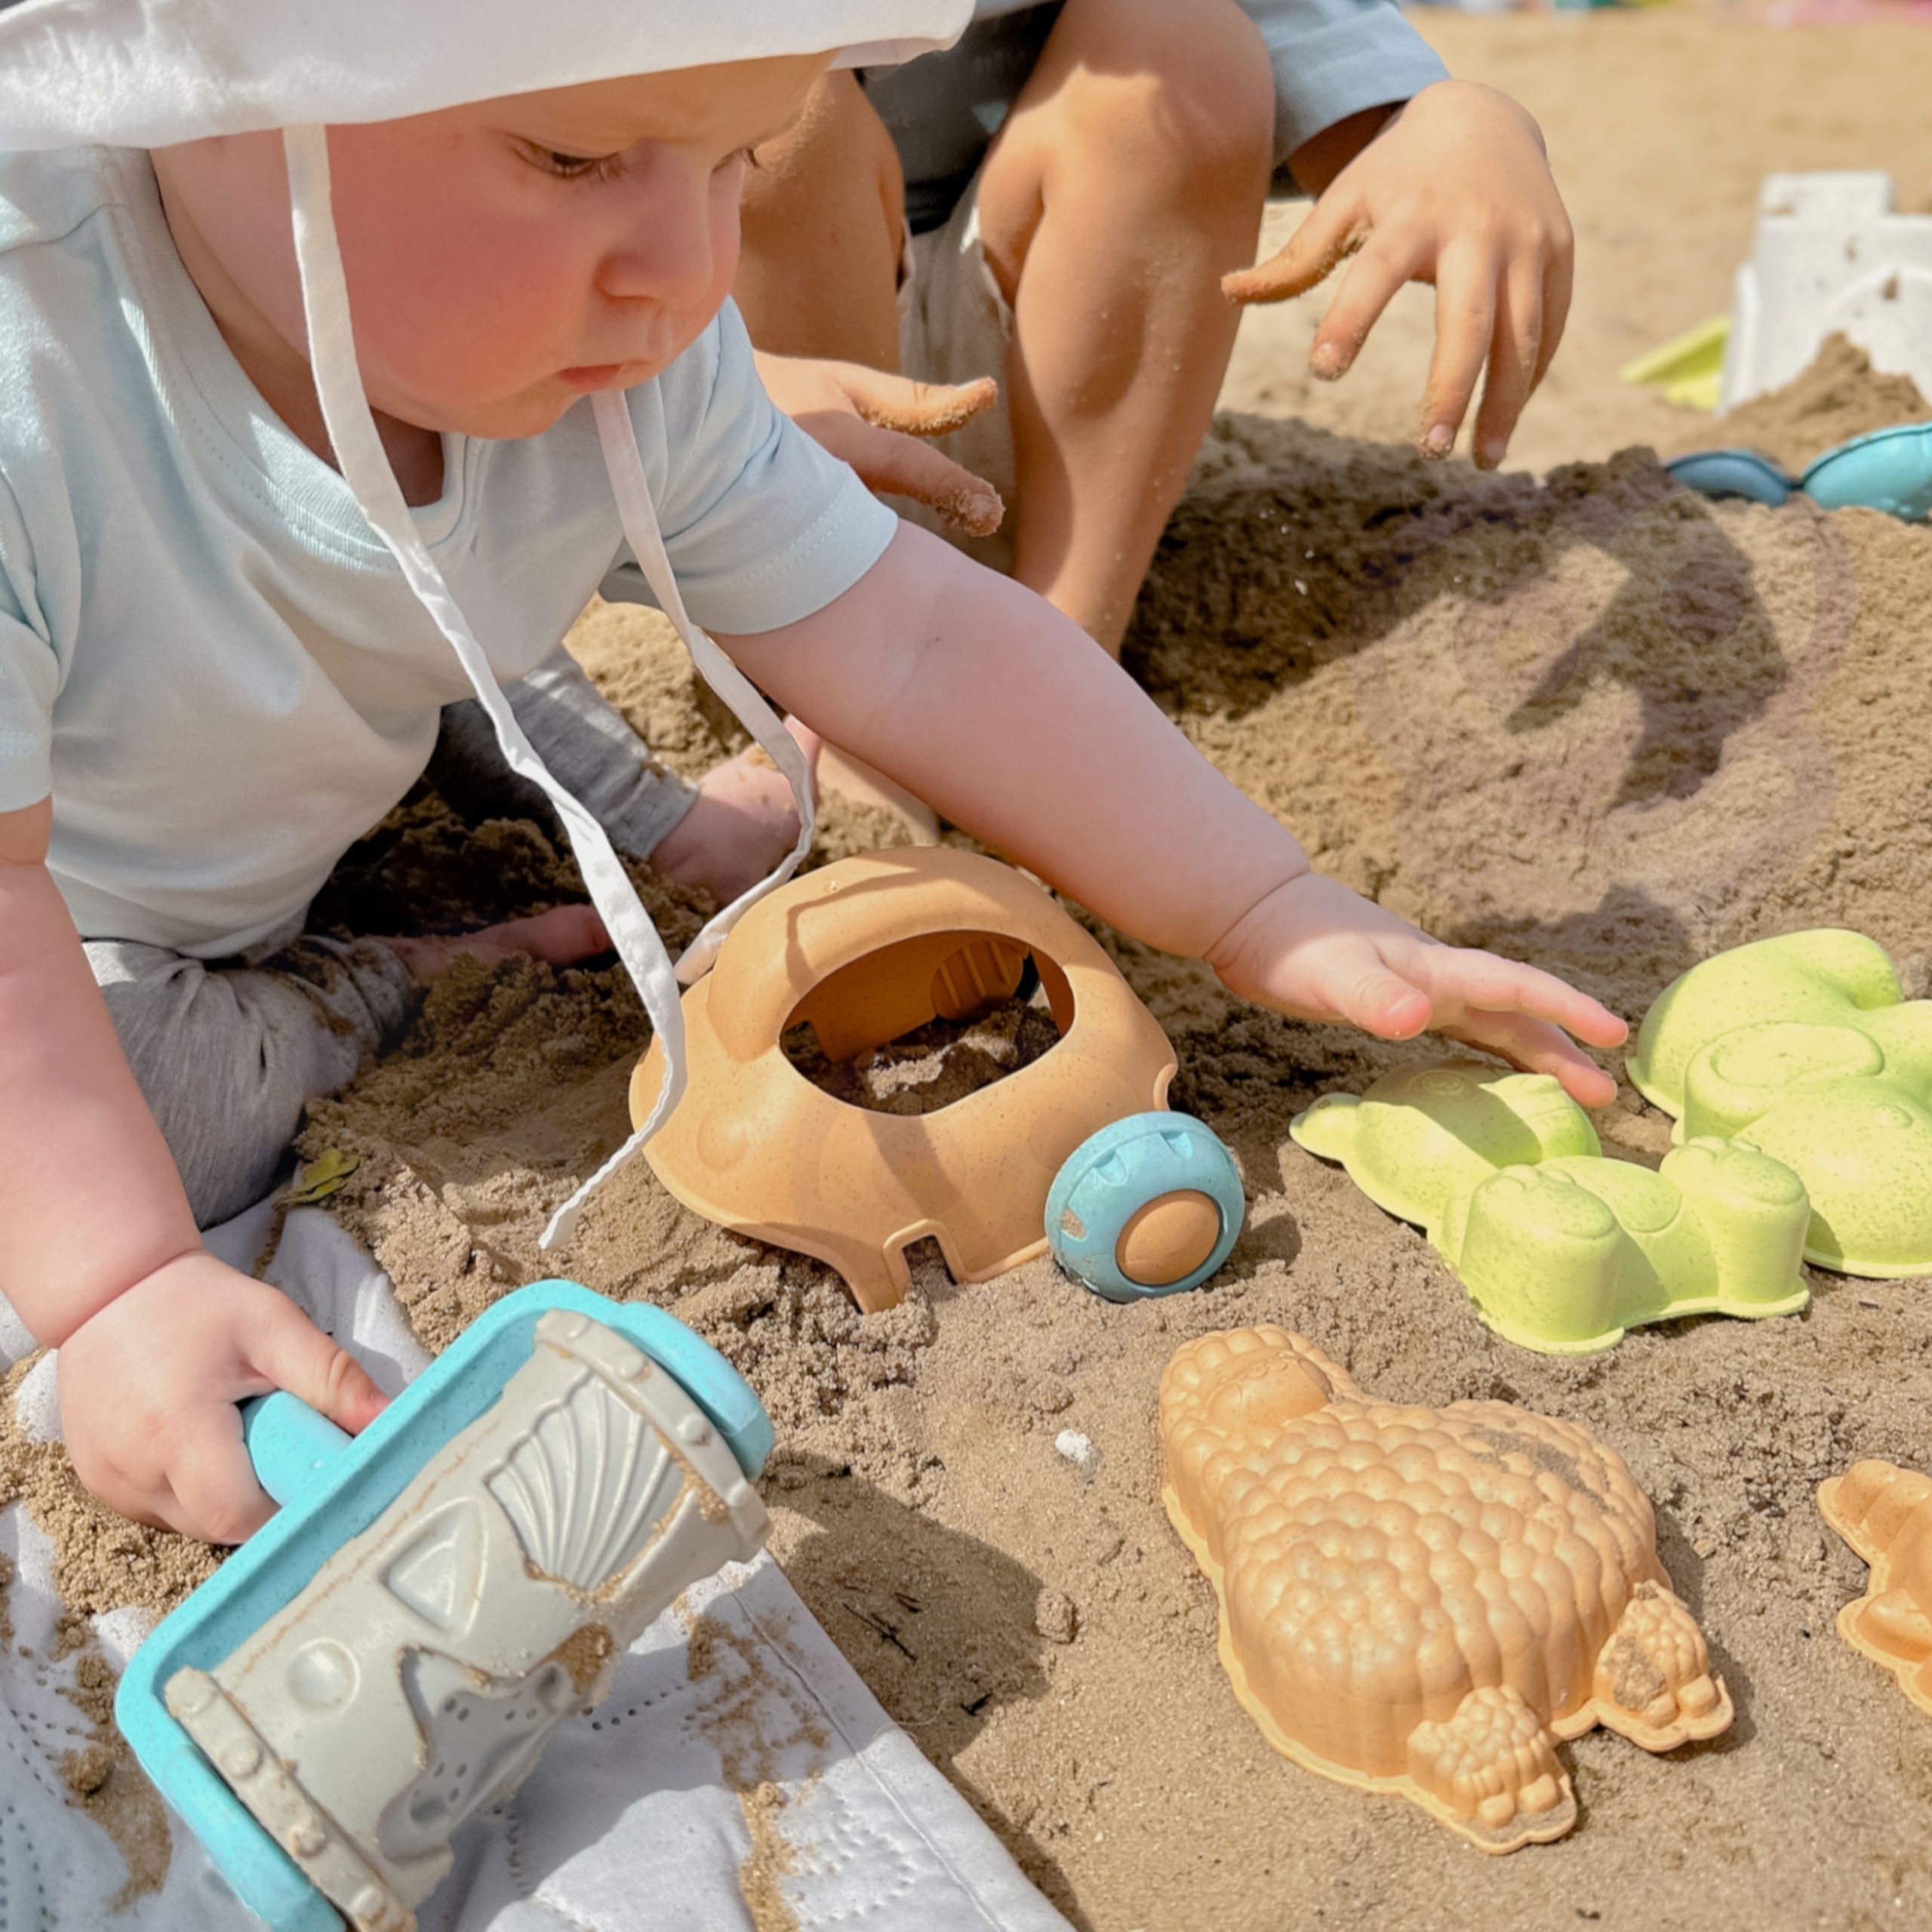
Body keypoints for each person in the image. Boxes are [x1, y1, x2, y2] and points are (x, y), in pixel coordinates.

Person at [0, 0, 1623, 1549]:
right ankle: (395, 980)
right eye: (570, 161)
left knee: (471, 641)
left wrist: (1264, 902)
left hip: (301, 733)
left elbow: (911, 635)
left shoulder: (610, 344)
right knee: (151, 1119)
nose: (684, 271)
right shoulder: (35, 365)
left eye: (733, 162)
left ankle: (653, 827)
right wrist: (123, 1285)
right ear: (213, 87)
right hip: (77, 921)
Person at [736, 0, 1575, 654]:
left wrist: (1462, 121)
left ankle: (1064, 651)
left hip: (1034, 372)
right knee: (770, 107)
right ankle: (839, 687)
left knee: (1181, 43)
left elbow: (1370, 112)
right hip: (730, 418)